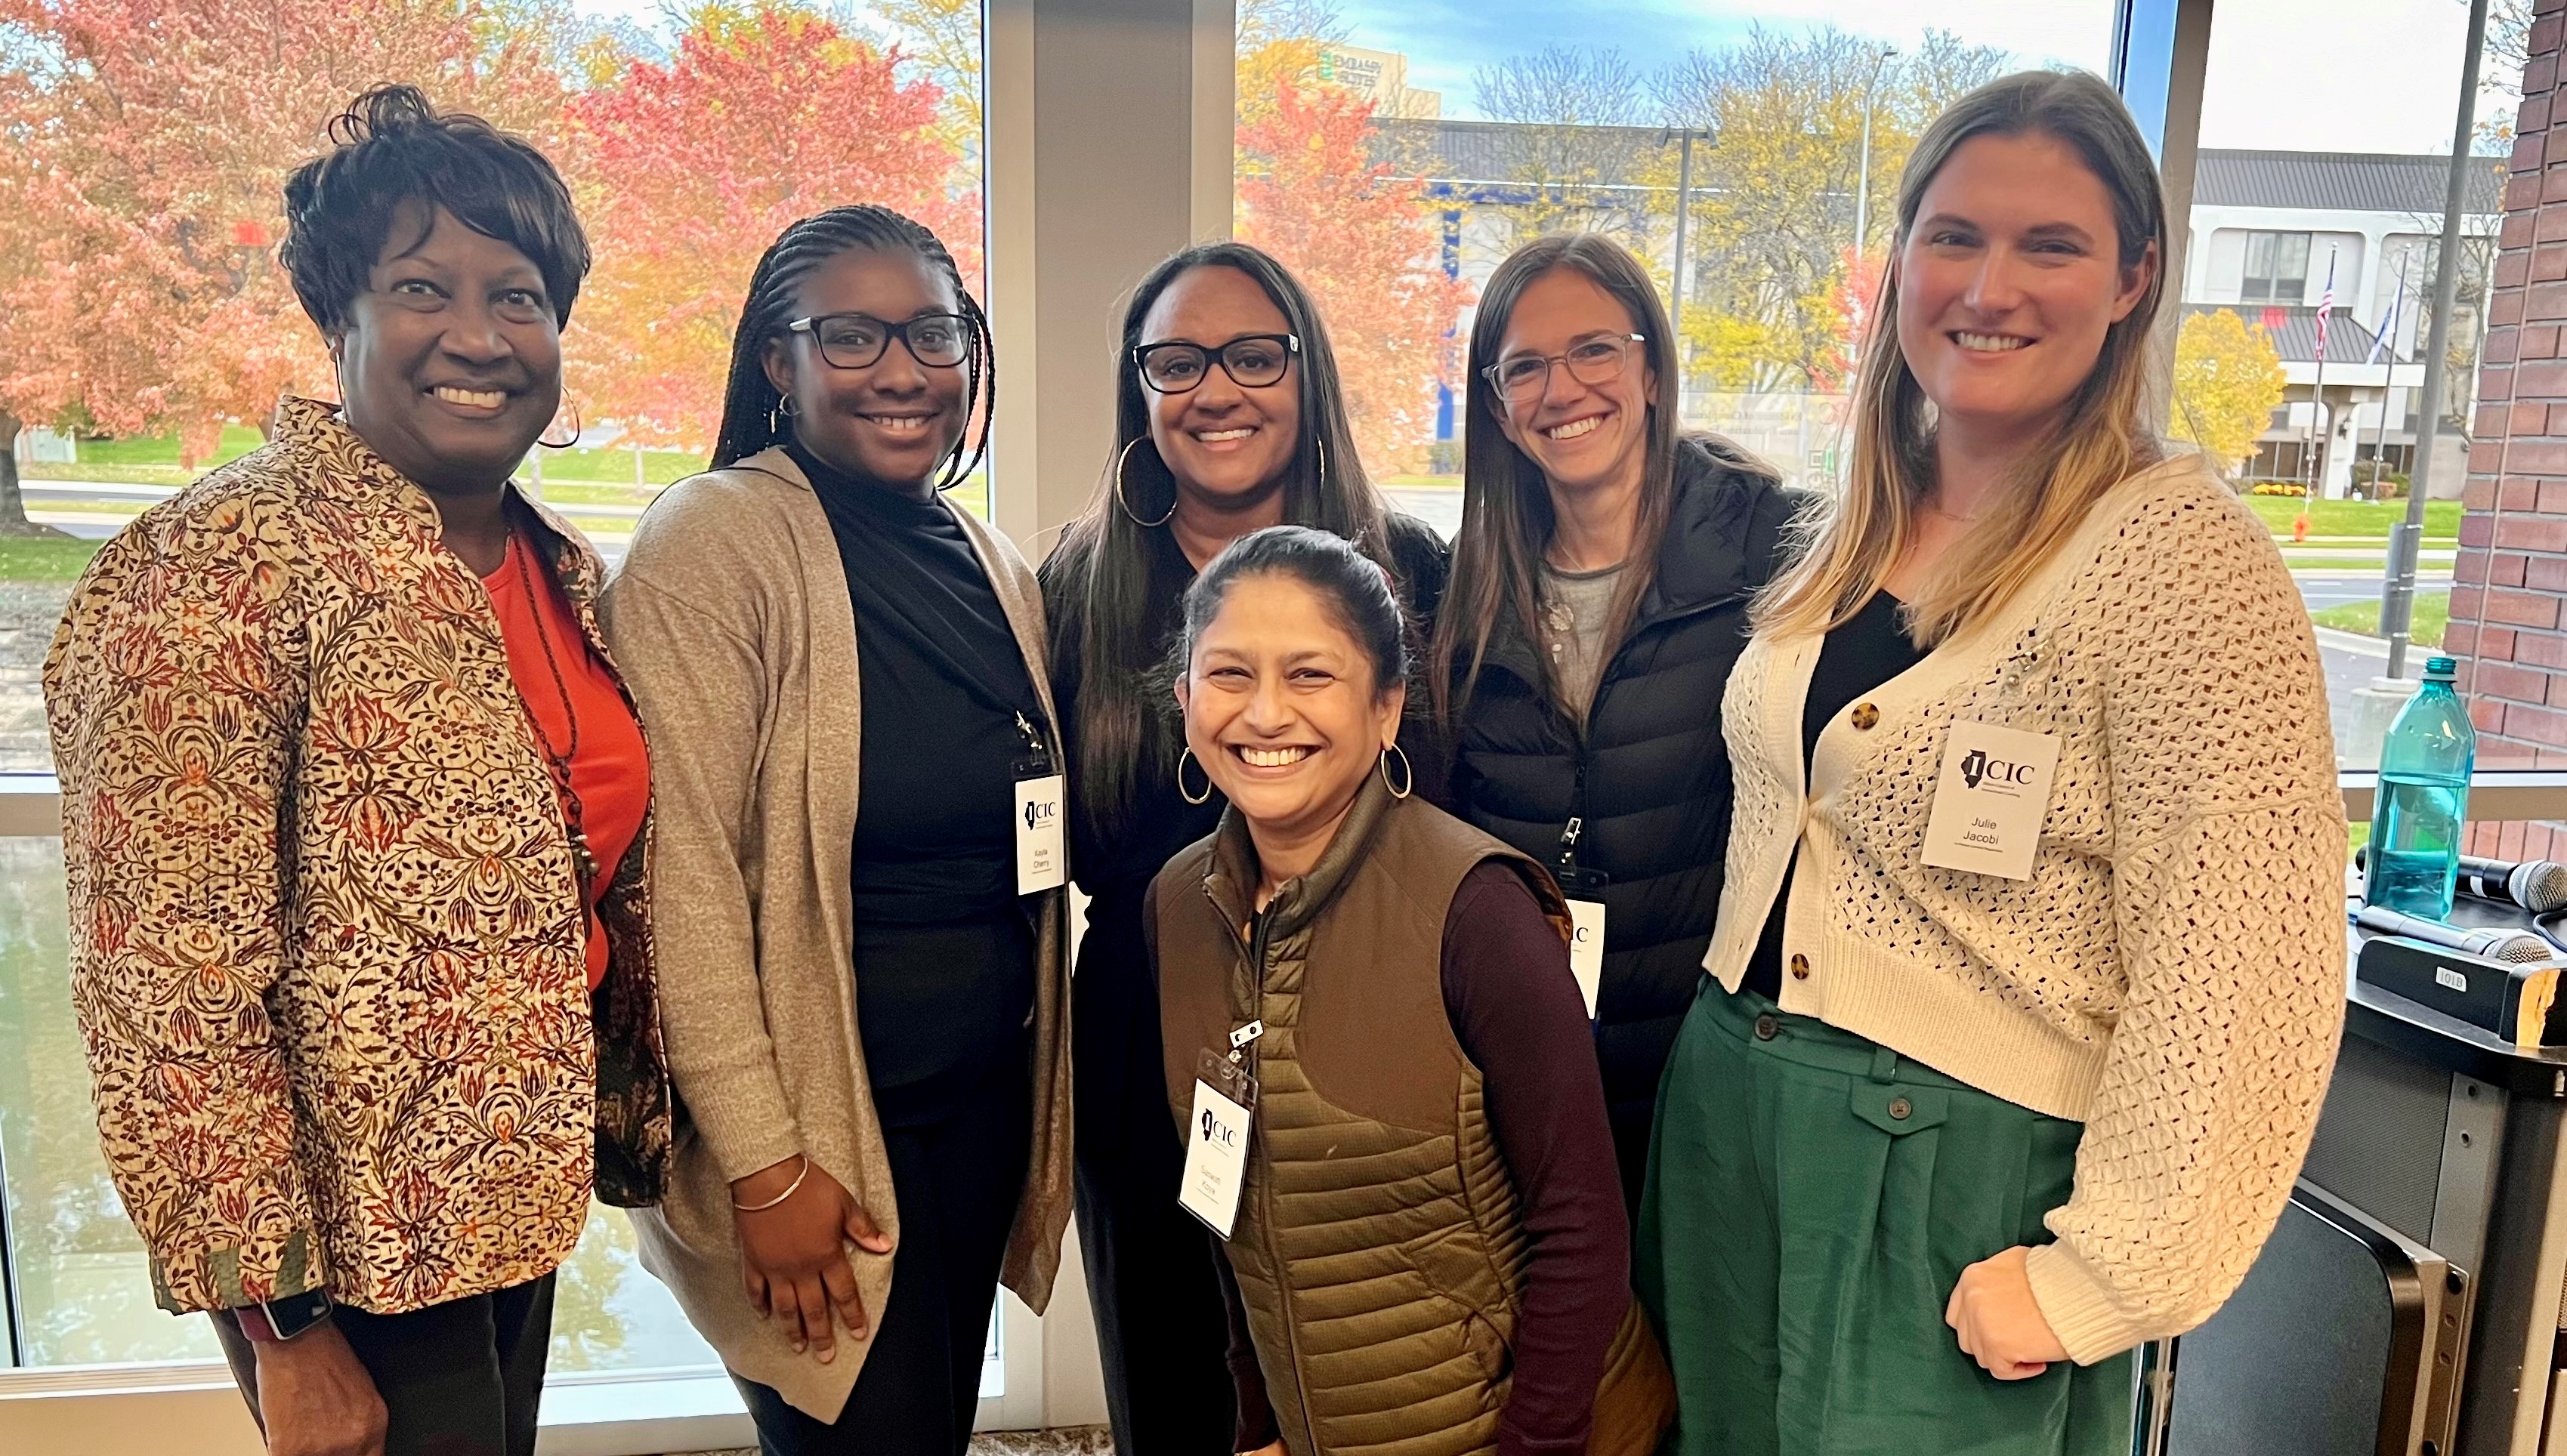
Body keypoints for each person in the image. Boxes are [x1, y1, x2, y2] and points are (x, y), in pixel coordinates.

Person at [1639, 71, 2346, 1456]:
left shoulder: (2176, 563)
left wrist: (2109, 1275)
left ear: (2134, 278)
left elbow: (2245, 959)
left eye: (2051, 245)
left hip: (1949, 1178)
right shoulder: (1849, 532)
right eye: (1953, 236)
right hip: (1733, 1113)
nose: (1989, 285)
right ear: (1899, 260)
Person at [44, 85, 666, 1456]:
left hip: (503, 1184)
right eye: (422, 287)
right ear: (343, 317)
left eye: (519, 296)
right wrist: (282, 1326)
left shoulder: (553, 568)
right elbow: (166, 989)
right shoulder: (214, 570)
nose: (479, 335)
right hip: (347, 1250)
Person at [602, 205, 1070, 1456]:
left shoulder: (993, 560)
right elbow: (677, 874)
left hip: (972, 1114)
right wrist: (763, 1164)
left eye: (933, 332)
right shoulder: (713, 542)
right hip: (820, 1137)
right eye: (851, 337)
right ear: (778, 360)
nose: (904, 371)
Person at [1038, 241, 1447, 1454]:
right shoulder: (1077, 586)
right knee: (1173, 1382)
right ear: (1139, 391)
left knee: (1363, 1383)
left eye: (1252, 356)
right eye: (1176, 362)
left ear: (1305, 375)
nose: (1215, 390)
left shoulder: (1412, 569)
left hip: (1362, 1029)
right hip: (1142, 1037)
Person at [1147, 525, 1670, 1456]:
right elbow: (1226, 1194)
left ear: (1386, 707)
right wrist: (1257, 1419)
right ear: (1185, 697)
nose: (1264, 713)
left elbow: (1582, 1225)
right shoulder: (1178, 908)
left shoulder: (1479, 912)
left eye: (1309, 675)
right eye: (1229, 674)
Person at [1431, 233, 1801, 1215]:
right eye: (1525, 368)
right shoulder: (1467, 593)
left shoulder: (1772, 552)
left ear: (1647, 369)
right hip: (1532, 1082)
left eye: (1593, 349)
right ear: (1500, 410)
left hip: (1720, 1084)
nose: (1562, 389)